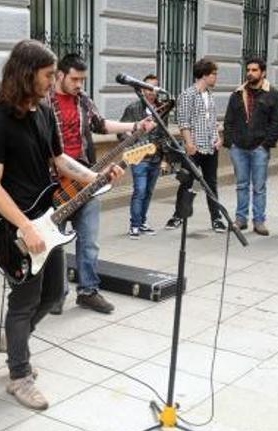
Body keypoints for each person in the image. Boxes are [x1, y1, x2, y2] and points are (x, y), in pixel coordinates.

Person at [0, 40, 122, 410]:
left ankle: (16, 339)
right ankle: (19, 376)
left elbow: (60, 160)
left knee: (53, 293)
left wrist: (97, 176)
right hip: (15, 226)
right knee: (25, 300)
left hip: (49, 218)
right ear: (28, 74)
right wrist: (25, 226)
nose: (51, 81)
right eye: (46, 75)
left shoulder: (44, 112)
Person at [46, 54, 153, 314]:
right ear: (59, 75)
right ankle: (55, 295)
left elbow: (102, 125)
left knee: (90, 241)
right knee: (55, 244)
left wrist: (136, 125)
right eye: (75, 79)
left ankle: (88, 291)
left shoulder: (83, 100)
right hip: (50, 183)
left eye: (83, 79)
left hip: (85, 179)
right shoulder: (44, 101)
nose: (80, 84)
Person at [223, 57, 278, 235]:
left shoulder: (273, 94)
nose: (250, 73)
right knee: (241, 184)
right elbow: (229, 120)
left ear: (263, 72)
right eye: (248, 69)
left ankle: (259, 221)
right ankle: (241, 219)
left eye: (254, 70)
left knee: (259, 186)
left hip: (259, 148)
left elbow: (276, 122)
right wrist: (230, 142)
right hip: (239, 147)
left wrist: (266, 144)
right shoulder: (237, 93)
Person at [165, 58, 226, 233]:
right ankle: (178, 216)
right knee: (186, 182)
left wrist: (218, 138)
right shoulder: (187, 94)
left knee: (211, 184)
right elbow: (183, 122)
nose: (216, 78)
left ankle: (216, 218)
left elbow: (213, 122)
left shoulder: (210, 95)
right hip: (194, 147)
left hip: (210, 146)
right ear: (205, 75)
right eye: (214, 74)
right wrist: (189, 143)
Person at [119, 74, 169, 239]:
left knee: (148, 191)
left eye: (154, 88)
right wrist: (134, 144)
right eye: (148, 88)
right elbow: (121, 132)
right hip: (139, 158)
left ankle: (142, 222)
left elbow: (164, 135)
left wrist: (165, 159)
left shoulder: (162, 109)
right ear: (141, 89)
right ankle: (134, 225)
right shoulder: (133, 108)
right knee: (139, 190)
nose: (151, 92)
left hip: (156, 157)